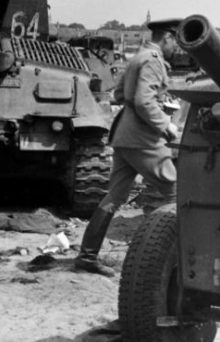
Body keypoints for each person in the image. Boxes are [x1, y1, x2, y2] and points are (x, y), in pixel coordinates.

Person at [74, 18, 182, 277]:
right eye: (175, 41)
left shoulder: (138, 56)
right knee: (177, 193)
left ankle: (87, 256)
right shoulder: (154, 60)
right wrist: (167, 125)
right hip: (142, 139)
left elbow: (120, 94)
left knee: (114, 196)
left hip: (124, 134)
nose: (176, 48)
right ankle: (168, 261)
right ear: (166, 37)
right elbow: (144, 102)